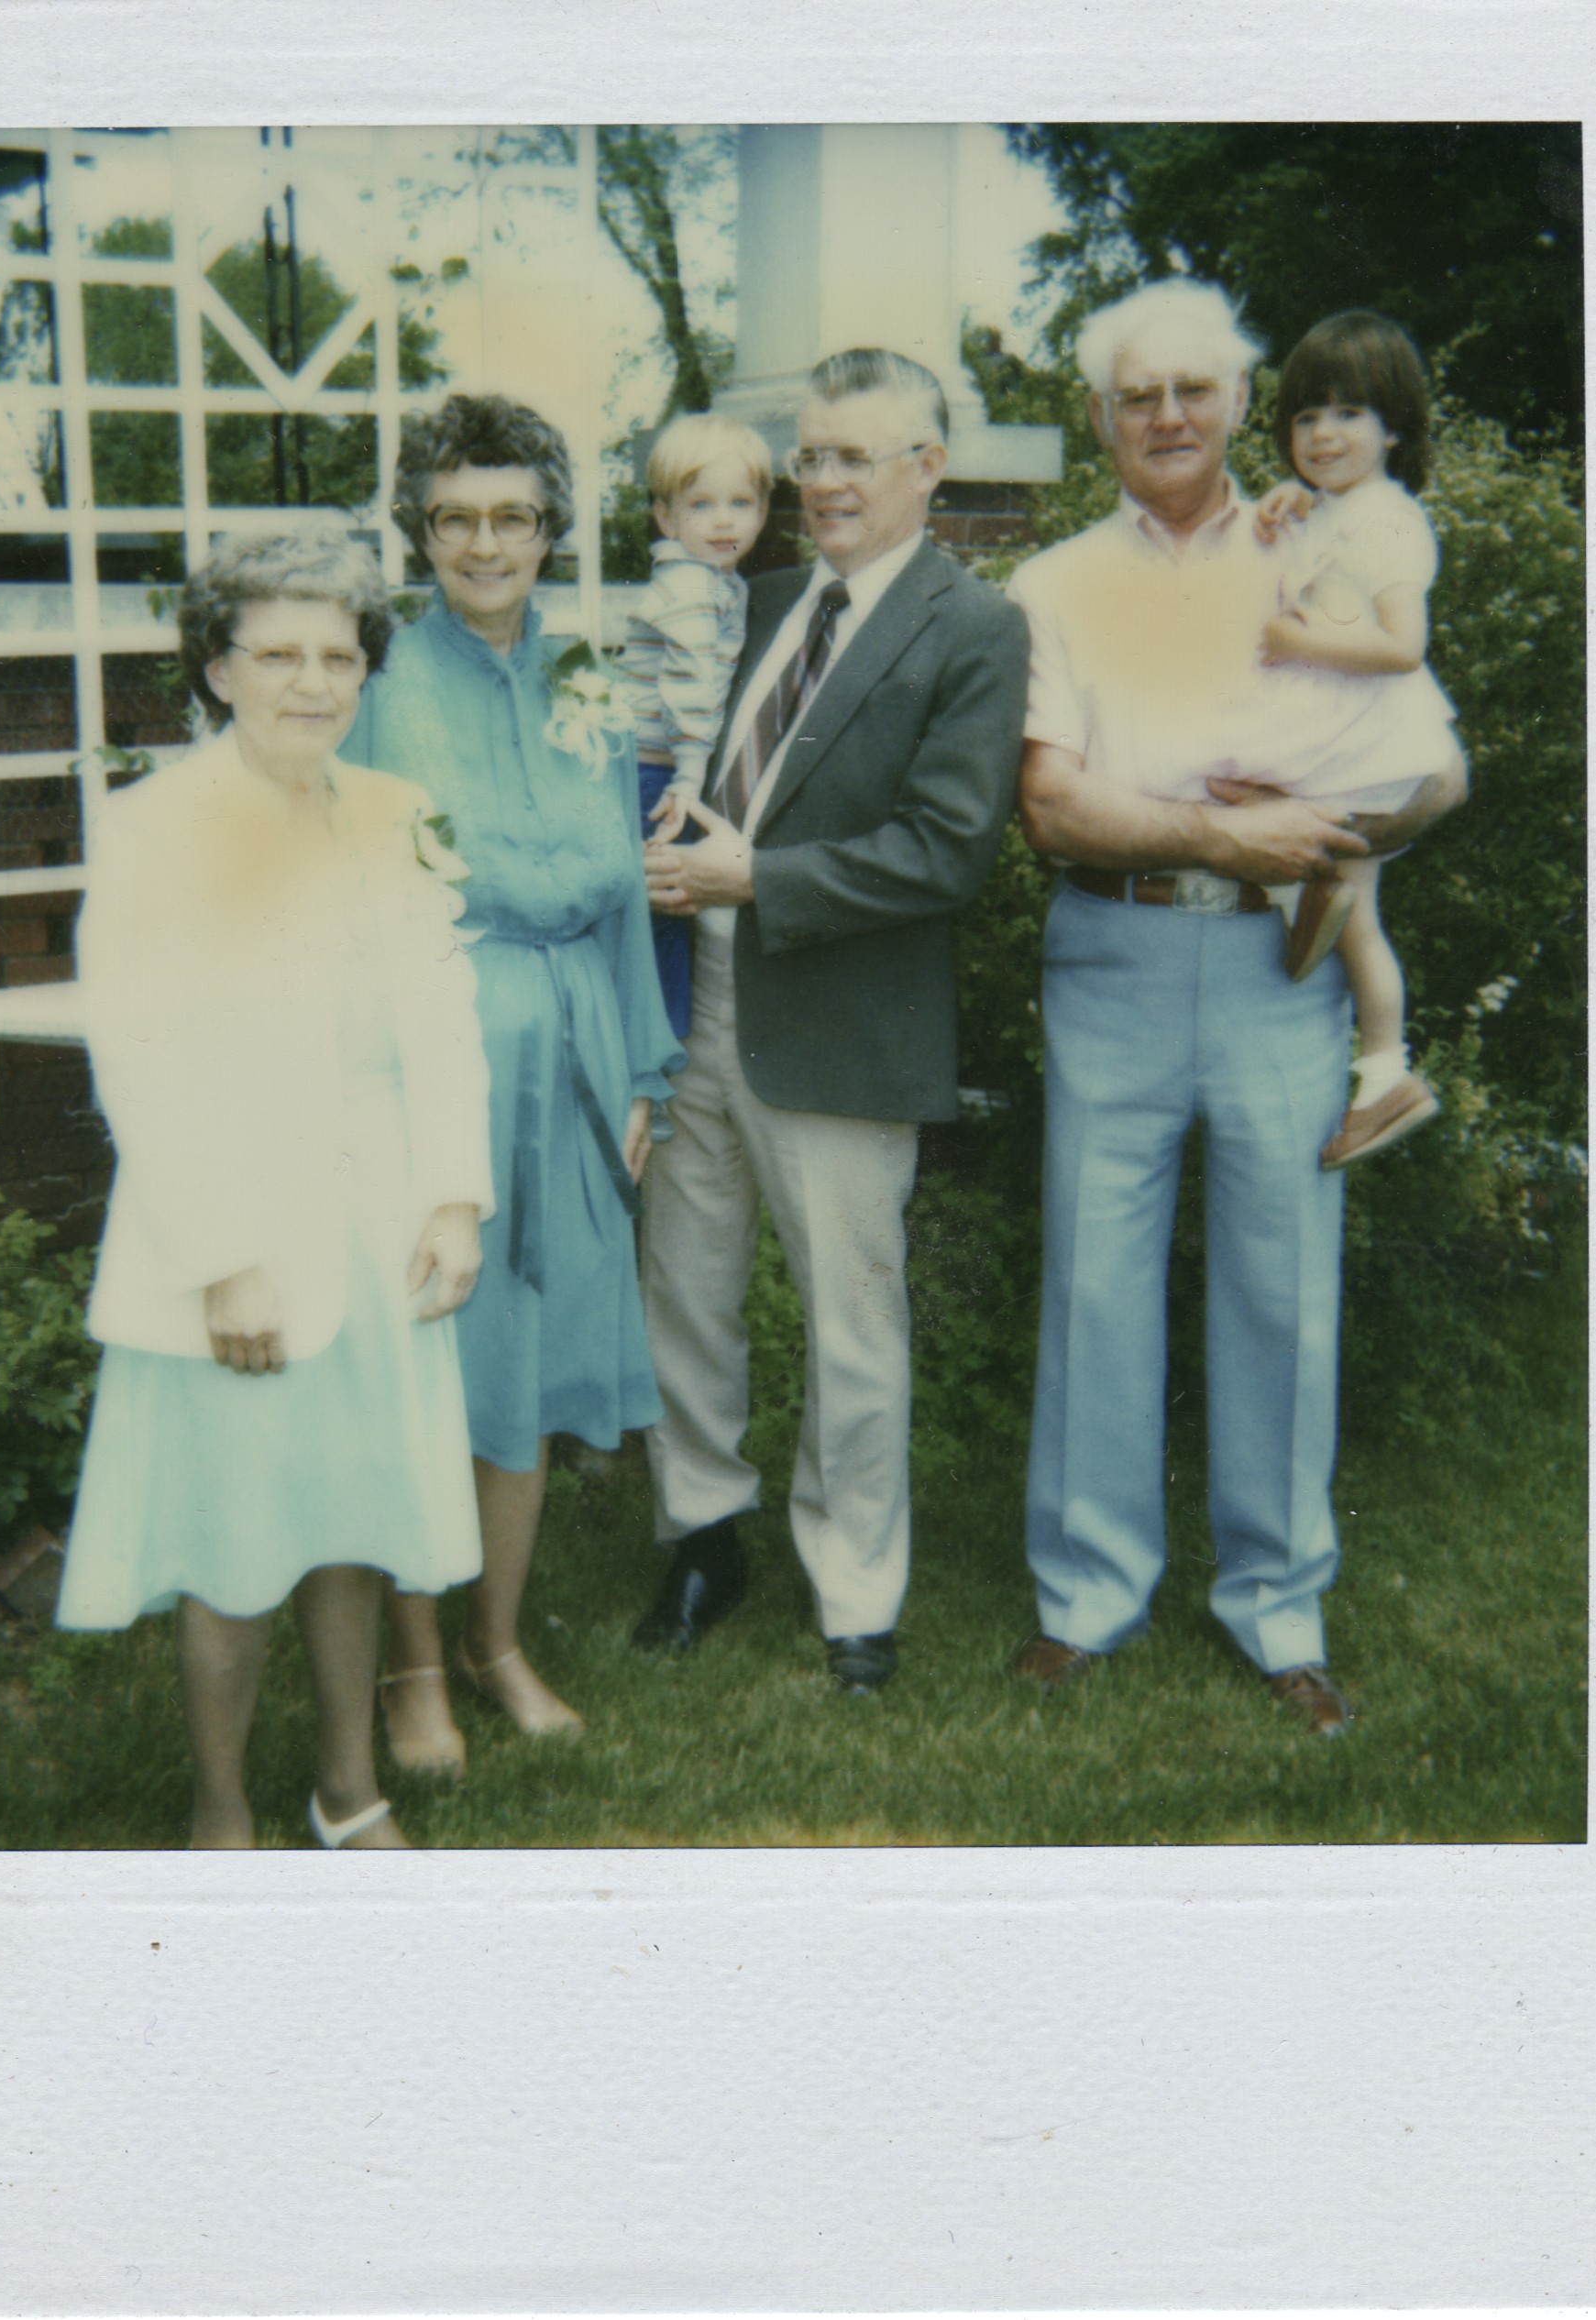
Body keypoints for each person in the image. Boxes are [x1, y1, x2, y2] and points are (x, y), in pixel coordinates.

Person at [1006, 279, 1467, 1736]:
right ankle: (1087, 1593)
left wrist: (1333, 847)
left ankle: (1278, 1606)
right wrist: (1222, 834)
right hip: (1113, 951)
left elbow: (1430, 762)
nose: (1165, 415)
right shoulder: (1052, 582)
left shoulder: (1310, 544)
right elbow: (1047, 802)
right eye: (1136, 394)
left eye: (1192, 390)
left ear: (1234, 405)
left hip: (1281, 967)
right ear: (1099, 417)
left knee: (1280, 1283)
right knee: (1094, 1278)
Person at [55, 527, 494, 1849]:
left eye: (338, 657)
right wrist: (221, 1256)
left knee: (350, 1515)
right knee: (236, 1536)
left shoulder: (396, 812)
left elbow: (442, 1017)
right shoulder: (155, 825)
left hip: (375, 1219)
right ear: (219, 668)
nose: (312, 682)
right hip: (229, 1225)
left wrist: (452, 1196)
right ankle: (222, 1808)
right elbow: (138, 1056)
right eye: (279, 655)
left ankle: (346, 1790)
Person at [634, 347, 1030, 1697]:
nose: (824, 481)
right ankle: (702, 1535)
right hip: (693, 1002)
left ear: (930, 465)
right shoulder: (747, 605)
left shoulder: (971, 626)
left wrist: (755, 877)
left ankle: (856, 1592)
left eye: (855, 455)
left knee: (851, 1328)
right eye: (810, 455)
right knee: (685, 1292)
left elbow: (946, 849)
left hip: (839, 1022)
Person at [348, 393, 684, 1768]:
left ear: (550, 529)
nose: (483, 544)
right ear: (418, 531)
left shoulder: (583, 678)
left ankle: (495, 1641)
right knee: (436, 1359)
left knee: (531, 1364)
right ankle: (412, 1665)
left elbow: (624, 888)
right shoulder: (374, 679)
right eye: (453, 518)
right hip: (435, 1062)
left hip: (581, 1049)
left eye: (511, 517)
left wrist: (645, 1065)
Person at [1250, 310, 1461, 1166]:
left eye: (1348, 413)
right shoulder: (1340, 508)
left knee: (1249, 799)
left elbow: (1402, 646)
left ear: (1393, 426)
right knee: (1355, 915)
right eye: (1306, 416)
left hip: (1364, 738)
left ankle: (1381, 1063)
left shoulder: (1388, 522)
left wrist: (1295, 641)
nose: (1323, 433)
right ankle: (1382, 1072)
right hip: (1343, 733)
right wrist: (1290, 501)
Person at [615, 410, 773, 1039]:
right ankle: (658, 1039)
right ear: (666, 517)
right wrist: (687, 777)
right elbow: (689, 687)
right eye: (702, 505)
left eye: (740, 502)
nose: (724, 521)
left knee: (662, 906)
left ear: (763, 510)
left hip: (657, 764)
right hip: (653, 770)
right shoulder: (689, 586)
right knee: (663, 900)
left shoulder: (718, 582)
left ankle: (657, 1033)